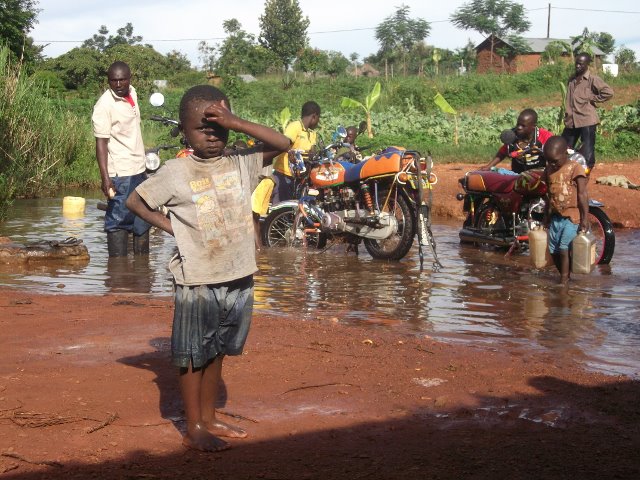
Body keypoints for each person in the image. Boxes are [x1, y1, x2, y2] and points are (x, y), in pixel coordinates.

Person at [125, 85, 289, 452]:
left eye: (220, 128)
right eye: (203, 128)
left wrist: (236, 121)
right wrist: (175, 228)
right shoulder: (176, 171)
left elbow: (283, 144)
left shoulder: (241, 163)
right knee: (192, 354)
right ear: (184, 131)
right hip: (197, 280)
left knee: (217, 350)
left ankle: (210, 416)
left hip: (238, 275)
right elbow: (135, 200)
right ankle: (194, 425)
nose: (212, 136)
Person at [92, 61, 151, 257]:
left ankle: (141, 273)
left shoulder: (132, 93)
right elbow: (101, 143)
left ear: (129, 79)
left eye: (122, 80)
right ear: (109, 81)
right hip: (120, 173)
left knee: (142, 219)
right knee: (118, 221)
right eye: (113, 81)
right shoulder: (104, 105)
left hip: (139, 169)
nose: (118, 85)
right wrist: (105, 177)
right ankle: (117, 273)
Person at [543, 136, 589, 284]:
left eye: (555, 161)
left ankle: (563, 281)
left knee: (563, 248)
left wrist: (584, 218)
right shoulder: (549, 170)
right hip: (556, 216)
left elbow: (582, 194)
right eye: (548, 161)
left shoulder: (575, 168)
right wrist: (546, 216)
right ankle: (566, 275)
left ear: (565, 153)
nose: (551, 164)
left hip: (572, 216)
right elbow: (548, 195)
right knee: (553, 250)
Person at [561, 52, 614, 175]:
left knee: (587, 148)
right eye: (576, 63)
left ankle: (586, 172)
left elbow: (609, 92)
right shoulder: (572, 80)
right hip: (571, 120)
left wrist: (592, 98)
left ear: (587, 65)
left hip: (587, 119)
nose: (578, 66)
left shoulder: (592, 79)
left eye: (581, 64)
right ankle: (566, 170)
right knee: (564, 146)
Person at [271, 101, 321, 203]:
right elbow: (284, 143)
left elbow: (312, 150)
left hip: (299, 178)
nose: (318, 123)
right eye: (318, 119)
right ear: (314, 116)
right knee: (282, 210)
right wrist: (290, 151)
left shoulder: (312, 133)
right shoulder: (295, 126)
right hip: (284, 175)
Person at [481, 108, 553, 173]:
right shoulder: (512, 136)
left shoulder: (545, 136)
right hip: (517, 174)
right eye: (518, 124)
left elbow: (555, 156)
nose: (519, 128)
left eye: (523, 126)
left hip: (539, 173)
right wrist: (489, 166)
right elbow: (502, 152)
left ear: (533, 126)